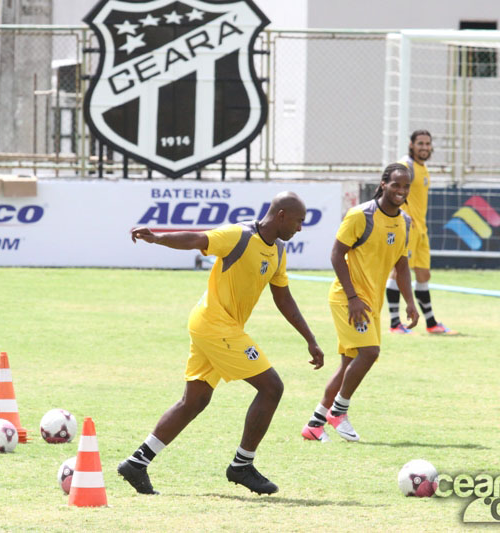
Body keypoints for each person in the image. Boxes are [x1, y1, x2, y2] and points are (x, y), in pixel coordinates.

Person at [118, 191, 324, 495]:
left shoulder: (278, 251)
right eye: (298, 221)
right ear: (281, 216)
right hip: (216, 325)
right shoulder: (239, 236)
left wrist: (310, 338)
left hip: (213, 326)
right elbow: (197, 239)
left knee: (195, 401)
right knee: (272, 388)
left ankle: (137, 463)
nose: (300, 228)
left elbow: (283, 299)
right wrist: (159, 238)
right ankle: (242, 465)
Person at [302, 163, 419, 443]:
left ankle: (314, 425)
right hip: (348, 298)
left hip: (372, 301)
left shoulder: (405, 222)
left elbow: (401, 266)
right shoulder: (360, 216)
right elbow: (336, 255)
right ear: (383, 184)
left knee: (348, 365)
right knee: (369, 353)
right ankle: (338, 412)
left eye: (406, 186)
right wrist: (353, 297)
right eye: (396, 185)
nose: (401, 191)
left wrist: (410, 303)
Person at [386, 129, 458, 335]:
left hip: (421, 230)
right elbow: (389, 189)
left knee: (424, 274)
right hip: (407, 229)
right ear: (411, 145)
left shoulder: (422, 168)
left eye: (427, 144)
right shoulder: (405, 166)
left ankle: (431, 323)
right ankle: (394, 324)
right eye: (420, 144)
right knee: (398, 272)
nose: (424, 147)